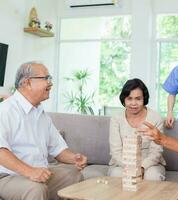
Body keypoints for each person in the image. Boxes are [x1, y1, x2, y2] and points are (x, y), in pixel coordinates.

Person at [0, 61, 87, 200]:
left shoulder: (42, 115)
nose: (50, 83)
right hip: (8, 176)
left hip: (39, 173)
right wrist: (30, 172)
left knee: (73, 175)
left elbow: (58, 149)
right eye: (46, 78)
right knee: (35, 189)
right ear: (28, 83)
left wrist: (74, 158)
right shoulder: (5, 110)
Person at [108, 78, 166, 181]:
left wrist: (142, 168)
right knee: (117, 175)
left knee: (153, 176)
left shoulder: (156, 118)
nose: (133, 103)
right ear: (124, 99)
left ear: (144, 99)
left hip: (149, 165)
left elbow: (156, 152)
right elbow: (116, 151)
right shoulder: (116, 119)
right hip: (122, 164)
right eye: (129, 98)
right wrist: (130, 168)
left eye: (138, 99)